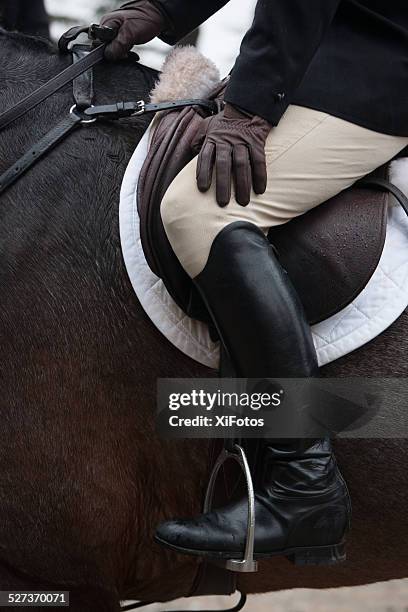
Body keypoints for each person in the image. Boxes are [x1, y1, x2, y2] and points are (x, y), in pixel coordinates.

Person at [100, 1, 408, 564]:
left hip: (378, 62)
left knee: (202, 212)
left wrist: (248, 110)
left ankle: (304, 485)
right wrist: (160, 9)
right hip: (326, 53)